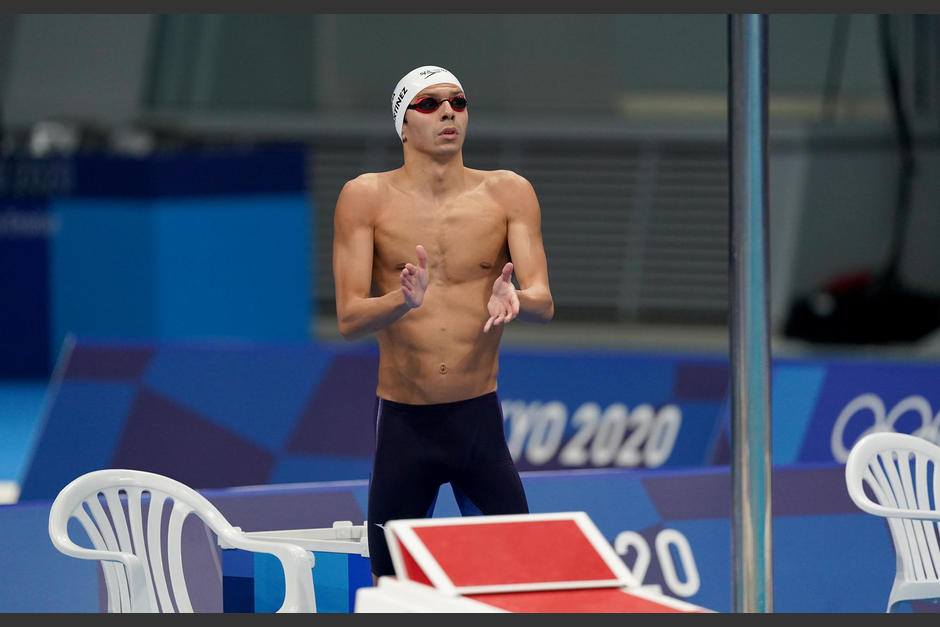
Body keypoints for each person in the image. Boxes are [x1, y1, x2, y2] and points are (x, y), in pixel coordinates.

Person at [331, 64, 554, 583]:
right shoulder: (365, 197)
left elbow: (545, 301)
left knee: (519, 586)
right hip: (406, 429)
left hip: (479, 423)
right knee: (392, 592)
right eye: (429, 104)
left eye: (458, 101)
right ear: (403, 125)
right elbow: (348, 319)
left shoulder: (508, 193)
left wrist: (517, 297)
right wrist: (401, 302)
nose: (448, 111)